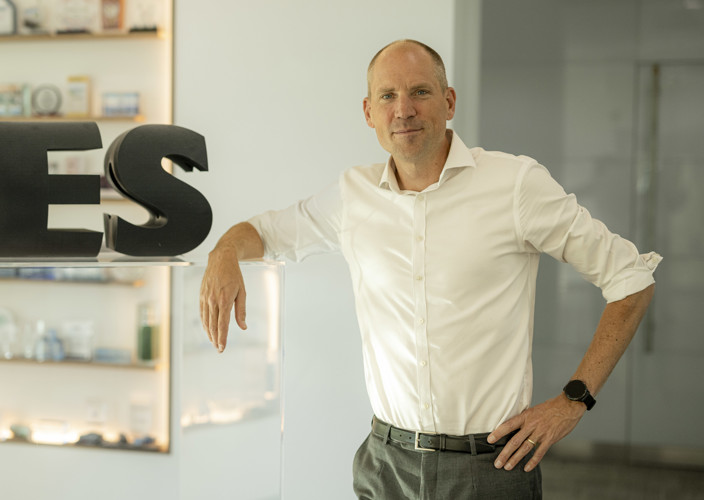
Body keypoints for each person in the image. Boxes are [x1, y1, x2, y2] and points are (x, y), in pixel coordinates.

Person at [198, 39, 660, 499]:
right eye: (387, 96)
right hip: (385, 468)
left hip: (490, 467)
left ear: (449, 101)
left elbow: (631, 280)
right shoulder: (351, 195)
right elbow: (263, 232)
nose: (403, 110)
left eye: (420, 91)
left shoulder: (514, 185)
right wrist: (223, 252)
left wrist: (572, 403)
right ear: (368, 112)